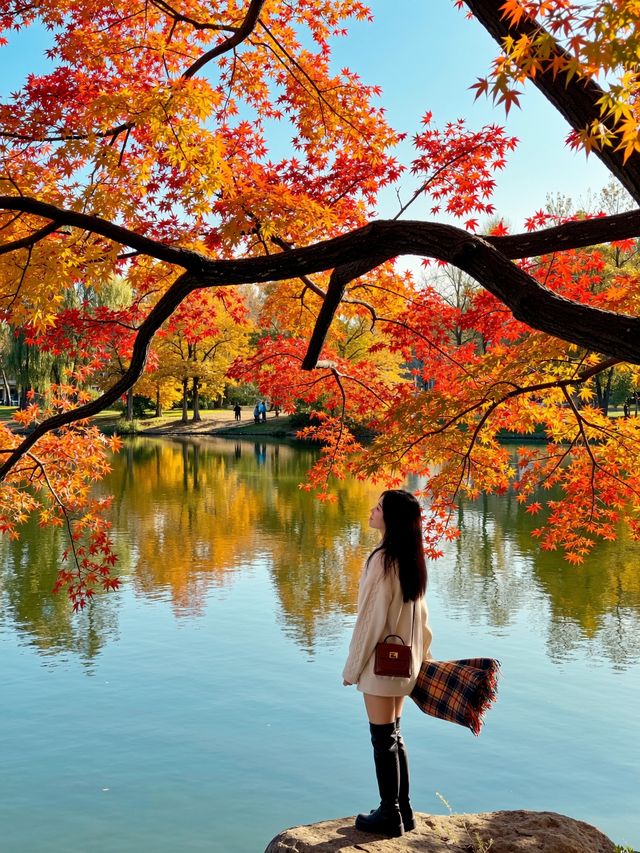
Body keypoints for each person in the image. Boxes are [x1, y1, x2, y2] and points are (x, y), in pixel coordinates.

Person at [343, 489, 432, 838]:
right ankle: (404, 810)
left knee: (383, 738)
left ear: (390, 519)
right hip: (404, 663)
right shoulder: (412, 557)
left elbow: (370, 620)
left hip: (382, 665)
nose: (372, 510)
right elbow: (421, 617)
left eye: (378, 507)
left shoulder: (382, 560)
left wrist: (352, 669)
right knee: (394, 735)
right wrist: (424, 658)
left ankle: (388, 816)